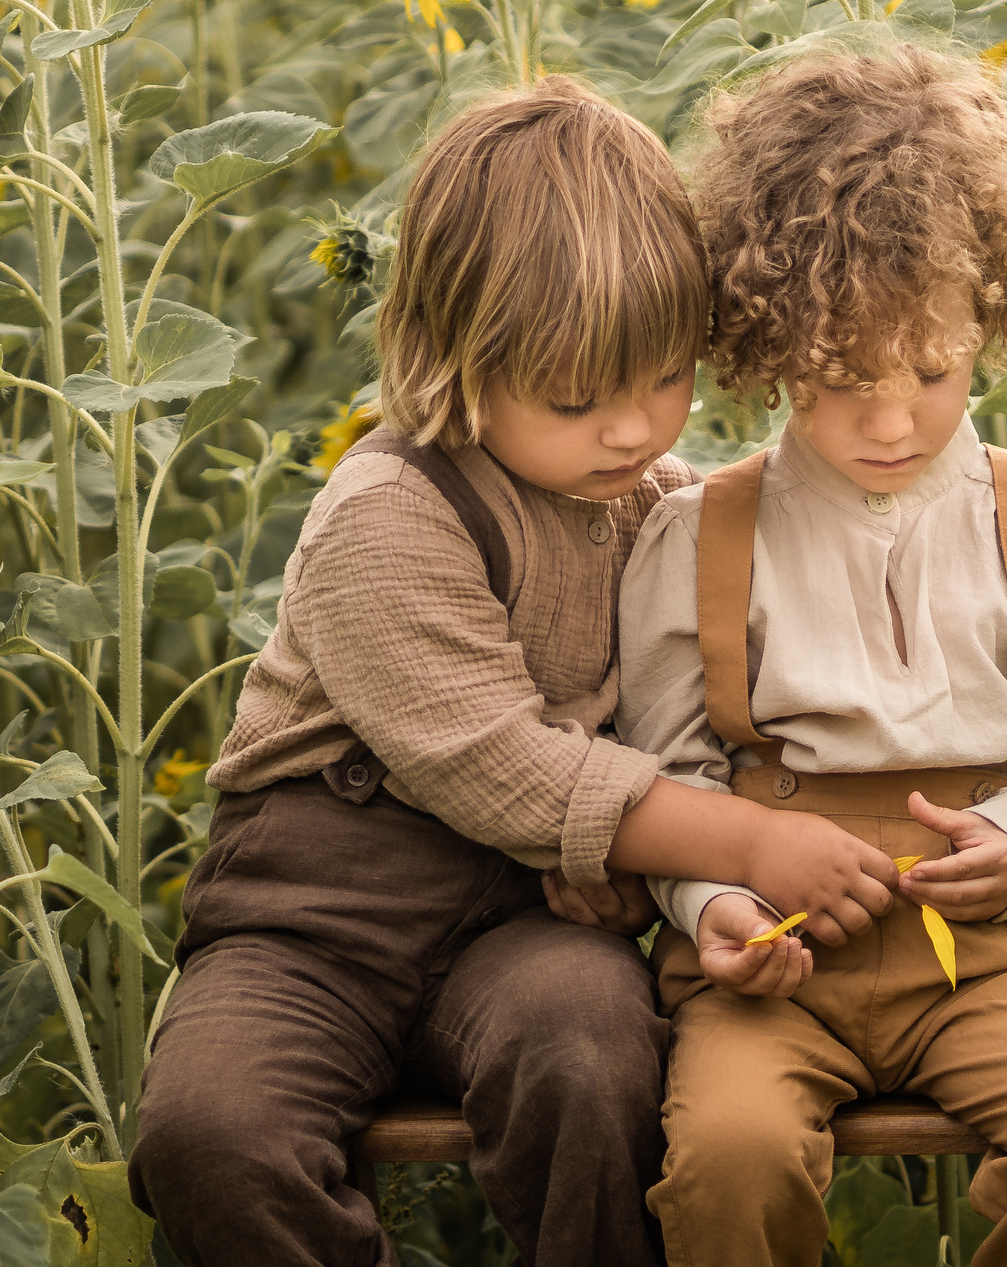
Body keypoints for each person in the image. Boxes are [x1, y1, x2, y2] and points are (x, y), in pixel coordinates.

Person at [129, 79, 903, 1267]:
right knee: (211, 1133)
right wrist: (748, 843)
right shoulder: (389, 513)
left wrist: (659, 883)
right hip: (312, 926)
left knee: (589, 1055)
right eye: (575, 397)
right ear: (451, 355)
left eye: (664, 376)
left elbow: (702, 706)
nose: (631, 430)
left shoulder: (664, 507)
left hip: (525, 925)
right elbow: (501, 765)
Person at [617, 47, 1007, 1267]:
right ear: (768, 343)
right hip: (776, 953)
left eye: (929, 370)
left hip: (1000, 946)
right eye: (838, 379)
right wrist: (714, 906)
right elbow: (664, 773)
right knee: (727, 1158)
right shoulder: (700, 537)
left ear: (992, 317)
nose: (887, 420)